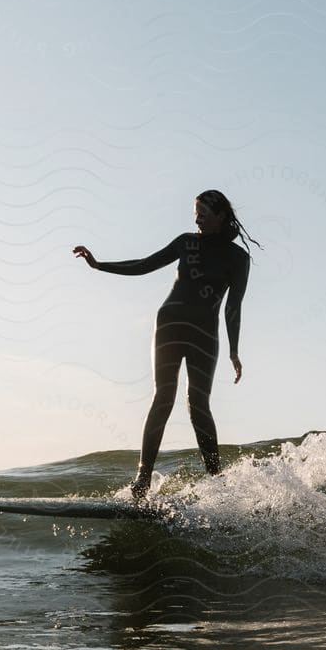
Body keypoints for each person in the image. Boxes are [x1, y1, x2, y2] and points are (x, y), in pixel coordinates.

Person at [73, 190, 259, 501]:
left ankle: (218, 484)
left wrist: (234, 350)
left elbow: (233, 307)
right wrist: (99, 265)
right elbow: (146, 264)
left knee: (199, 405)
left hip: (205, 334)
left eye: (203, 213)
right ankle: (142, 481)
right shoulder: (187, 242)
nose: (197, 219)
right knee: (164, 397)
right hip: (170, 324)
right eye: (195, 212)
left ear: (222, 215)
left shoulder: (238, 258)